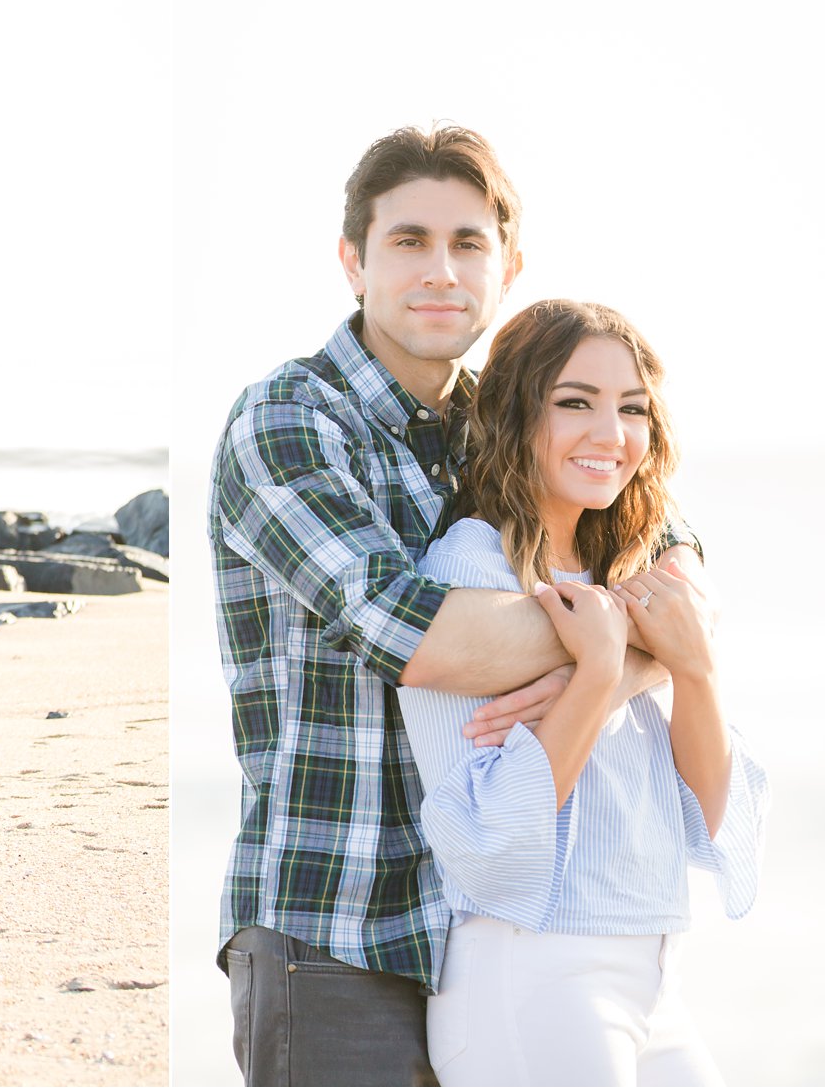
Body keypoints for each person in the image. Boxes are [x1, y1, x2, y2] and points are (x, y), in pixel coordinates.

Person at [208, 126, 704, 1086]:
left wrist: (628, 653)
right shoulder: (288, 417)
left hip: (490, 933)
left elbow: (683, 573)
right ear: (354, 260)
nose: (440, 270)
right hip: (337, 928)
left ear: (508, 265)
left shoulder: (512, 415)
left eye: (468, 243)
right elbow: (414, 633)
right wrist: (613, 643)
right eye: (408, 241)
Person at [398, 299, 768, 1085]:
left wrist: (692, 667)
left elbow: (708, 812)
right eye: (576, 402)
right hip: (531, 971)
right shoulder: (474, 572)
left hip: (657, 972)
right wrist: (596, 676)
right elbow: (493, 842)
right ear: (515, 410)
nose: (611, 434)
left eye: (632, 409)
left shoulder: (638, 579)